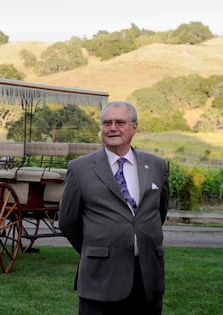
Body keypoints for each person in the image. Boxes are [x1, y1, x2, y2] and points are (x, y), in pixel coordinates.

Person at [59, 101, 169, 315]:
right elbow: (68, 221)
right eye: (107, 123)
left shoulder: (157, 165)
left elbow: (159, 211)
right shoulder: (80, 168)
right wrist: (97, 247)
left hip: (147, 276)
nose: (112, 128)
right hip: (101, 278)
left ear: (134, 127)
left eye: (120, 122)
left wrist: (141, 235)